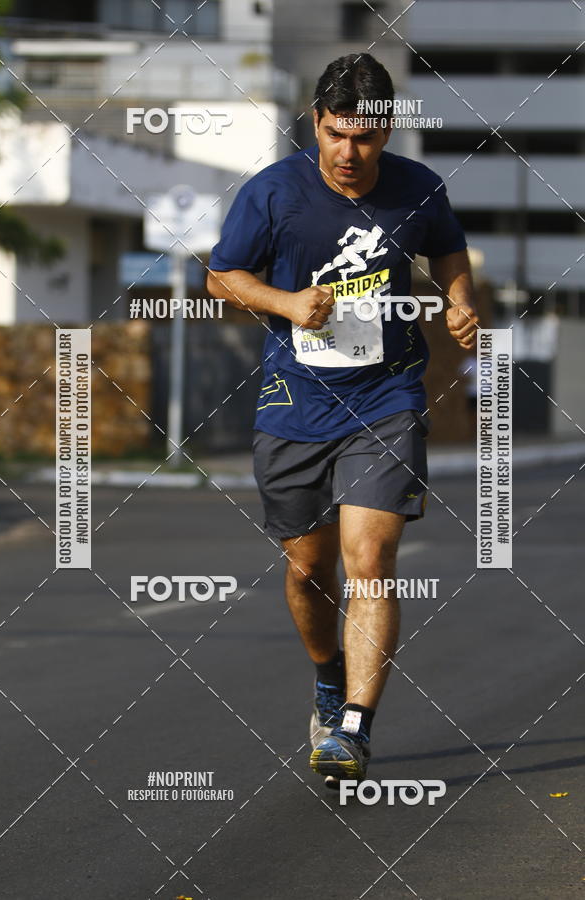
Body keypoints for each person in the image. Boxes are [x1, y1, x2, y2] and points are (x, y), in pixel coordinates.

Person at [207, 53, 479, 787]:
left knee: (370, 562)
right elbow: (221, 274)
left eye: (364, 138)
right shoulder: (273, 193)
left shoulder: (417, 189)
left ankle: (352, 728)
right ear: (316, 126)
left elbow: (448, 244)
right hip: (296, 400)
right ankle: (329, 680)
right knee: (306, 569)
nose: (348, 154)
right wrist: (289, 304)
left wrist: (458, 297)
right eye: (334, 134)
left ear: (387, 130)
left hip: (387, 398)